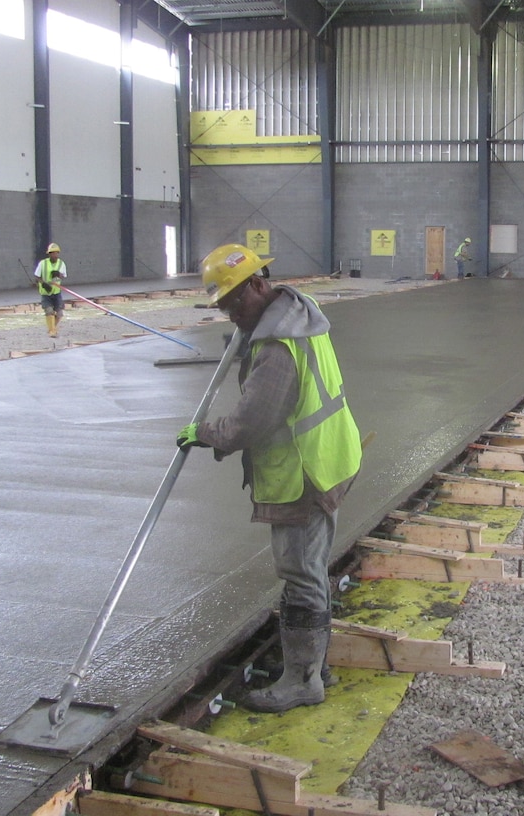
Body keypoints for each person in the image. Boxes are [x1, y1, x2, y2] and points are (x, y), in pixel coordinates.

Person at [176, 243, 363, 714]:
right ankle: (315, 664)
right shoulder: (299, 310)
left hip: (303, 473)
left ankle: (302, 681)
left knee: (299, 572)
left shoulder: (278, 347)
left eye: (235, 303)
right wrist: (246, 333)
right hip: (333, 456)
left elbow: (251, 422)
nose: (231, 314)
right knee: (312, 567)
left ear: (259, 285)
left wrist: (205, 434)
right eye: (224, 307)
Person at [34, 242, 67, 337]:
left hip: (56, 292)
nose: (55, 255)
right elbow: (37, 276)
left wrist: (58, 274)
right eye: (52, 253)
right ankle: (52, 331)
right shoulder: (43, 264)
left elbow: (63, 276)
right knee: (49, 311)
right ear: (49, 254)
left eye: (56, 253)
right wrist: (43, 283)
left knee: (59, 313)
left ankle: (52, 328)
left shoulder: (61, 263)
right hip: (46, 292)